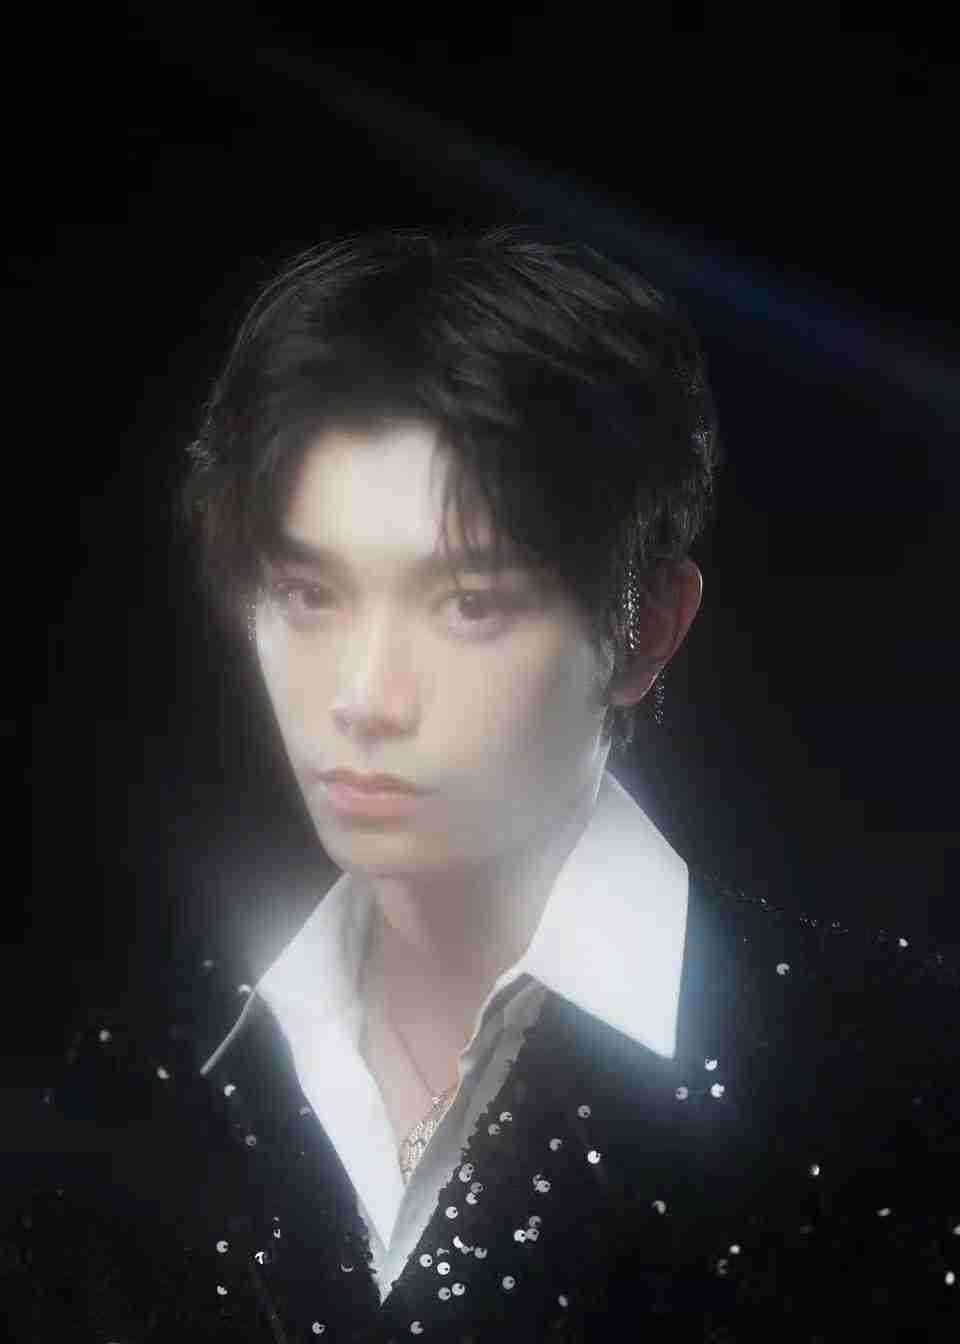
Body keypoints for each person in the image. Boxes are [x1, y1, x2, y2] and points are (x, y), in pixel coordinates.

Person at [4, 227, 958, 1342]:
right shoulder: (127, 1092)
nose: (364, 696)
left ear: (647, 628)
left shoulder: (899, 1086)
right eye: (310, 596)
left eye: (466, 604)